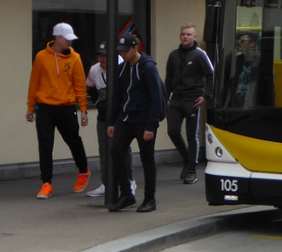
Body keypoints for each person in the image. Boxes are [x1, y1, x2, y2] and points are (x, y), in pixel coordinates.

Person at [25, 22, 91, 199]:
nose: (70, 43)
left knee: (73, 141)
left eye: (71, 39)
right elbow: (34, 82)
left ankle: (83, 171)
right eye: (67, 39)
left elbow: (79, 85)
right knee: (45, 145)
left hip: (66, 107)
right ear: (57, 38)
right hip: (45, 107)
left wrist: (83, 109)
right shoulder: (41, 57)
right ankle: (46, 183)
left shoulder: (75, 58)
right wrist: (30, 106)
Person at [107, 33, 166, 213]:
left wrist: (151, 125)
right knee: (116, 151)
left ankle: (150, 198)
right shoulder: (122, 68)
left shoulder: (147, 68)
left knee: (147, 158)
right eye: (121, 51)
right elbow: (117, 95)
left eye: (126, 51)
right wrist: (112, 121)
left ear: (135, 48)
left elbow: (156, 97)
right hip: (125, 118)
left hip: (144, 119)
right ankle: (126, 194)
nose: (123, 54)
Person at [165, 23, 214, 184]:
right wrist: (167, 96)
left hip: (193, 100)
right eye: (183, 34)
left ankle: (192, 170)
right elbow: (168, 78)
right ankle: (187, 159)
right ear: (180, 36)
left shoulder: (200, 55)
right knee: (172, 131)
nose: (185, 37)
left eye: (188, 34)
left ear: (194, 37)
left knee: (191, 135)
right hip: (176, 100)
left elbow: (210, 75)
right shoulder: (173, 55)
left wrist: (205, 96)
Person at [85, 44, 135, 198]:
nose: (102, 59)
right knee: (103, 147)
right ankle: (105, 182)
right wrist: (98, 103)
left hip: (120, 115)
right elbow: (89, 87)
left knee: (122, 147)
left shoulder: (122, 66)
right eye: (100, 55)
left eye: (105, 55)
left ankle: (129, 180)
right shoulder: (94, 70)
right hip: (103, 115)